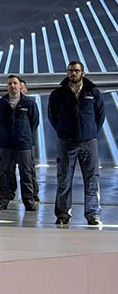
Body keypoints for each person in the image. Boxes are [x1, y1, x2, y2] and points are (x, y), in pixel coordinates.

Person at [48, 61, 105, 226]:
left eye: (77, 71)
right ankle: (63, 215)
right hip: (66, 142)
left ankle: (93, 214)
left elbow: (99, 116)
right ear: (67, 73)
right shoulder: (58, 94)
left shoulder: (93, 92)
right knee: (64, 180)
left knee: (92, 180)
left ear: (83, 73)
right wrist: (63, 131)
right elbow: (53, 116)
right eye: (71, 71)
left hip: (89, 142)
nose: (73, 73)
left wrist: (90, 131)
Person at [0, 75, 39, 211]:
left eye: (15, 83)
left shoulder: (29, 103)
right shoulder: (0, 103)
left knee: (26, 173)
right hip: (6, 144)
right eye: (10, 84)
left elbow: (34, 122)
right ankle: (3, 201)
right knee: (4, 173)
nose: (12, 86)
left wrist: (24, 134)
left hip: (23, 144)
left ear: (20, 86)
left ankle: (29, 201)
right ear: (7, 86)